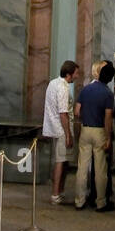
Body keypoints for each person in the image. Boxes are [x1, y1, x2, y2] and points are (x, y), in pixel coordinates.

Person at [74, 62, 115, 212]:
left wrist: (83, 121)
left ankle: (79, 200)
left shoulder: (86, 89)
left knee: (82, 167)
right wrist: (108, 136)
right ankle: (100, 202)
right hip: (99, 131)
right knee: (100, 169)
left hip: (86, 129)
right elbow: (108, 117)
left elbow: (77, 111)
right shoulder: (107, 94)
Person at [42, 59, 80, 204]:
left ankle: (59, 191)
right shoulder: (63, 88)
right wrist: (68, 134)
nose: (77, 76)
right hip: (61, 129)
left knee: (62, 161)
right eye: (76, 73)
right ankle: (55, 193)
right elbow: (63, 113)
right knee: (60, 161)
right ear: (69, 74)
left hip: (53, 126)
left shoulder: (53, 83)